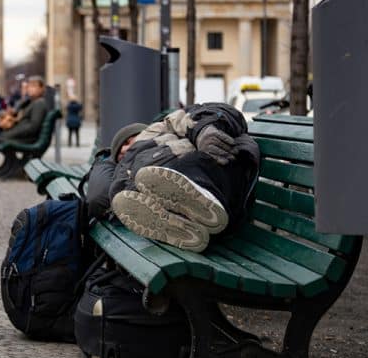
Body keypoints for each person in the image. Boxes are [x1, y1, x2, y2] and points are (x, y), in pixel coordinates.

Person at [87, 104, 260, 253]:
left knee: (182, 166)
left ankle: (205, 201)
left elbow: (218, 111)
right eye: (118, 154)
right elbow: (98, 198)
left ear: (142, 131)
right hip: (201, 214)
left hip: (216, 171)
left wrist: (203, 131)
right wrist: (107, 162)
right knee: (129, 194)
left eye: (126, 142)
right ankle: (187, 226)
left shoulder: (163, 128)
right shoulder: (122, 173)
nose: (123, 150)